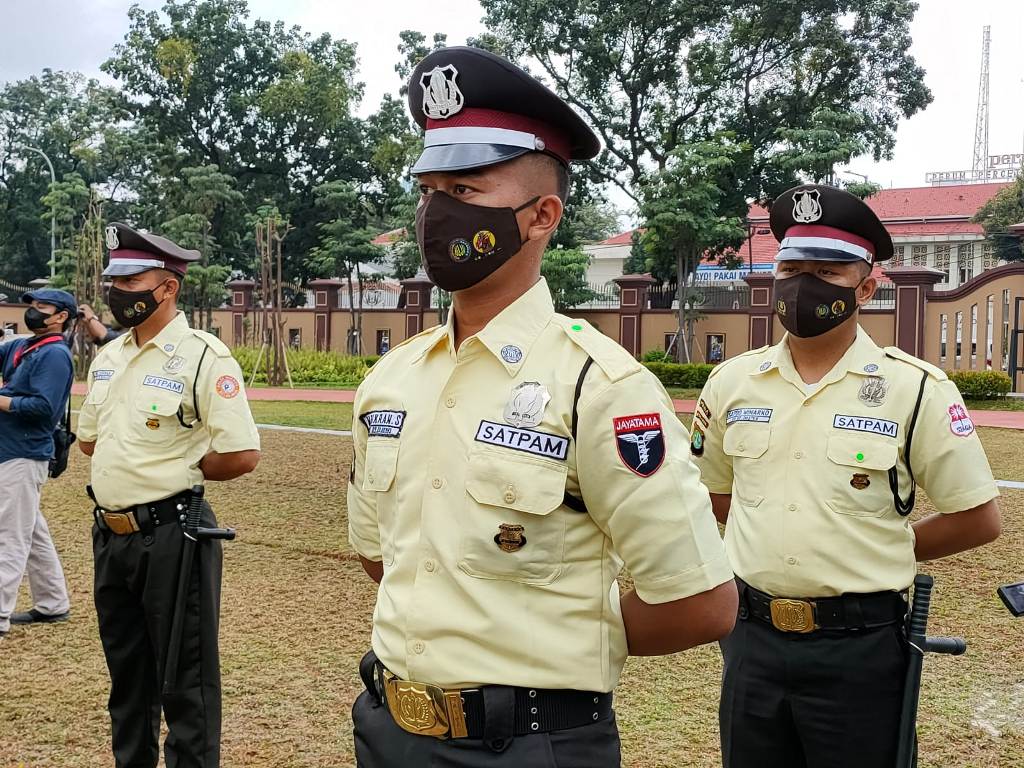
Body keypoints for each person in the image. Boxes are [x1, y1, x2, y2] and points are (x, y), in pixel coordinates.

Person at [347, 46, 738, 768]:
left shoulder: (602, 387)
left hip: (528, 744)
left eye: (464, 190)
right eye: (428, 189)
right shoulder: (391, 381)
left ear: (541, 216)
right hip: (387, 731)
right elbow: (385, 558)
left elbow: (700, 603)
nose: (436, 212)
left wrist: (561, 636)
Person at [691, 184, 1002, 768]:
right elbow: (717, 497)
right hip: (751, 640)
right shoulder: (731, 384)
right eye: (793, 267)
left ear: (867, 286)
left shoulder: (917, 389)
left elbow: (978, 518)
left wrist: (878, 544)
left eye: (828, 271)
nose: (803, 285)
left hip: (861, 649)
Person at [78, 223, 261, 768]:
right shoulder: (109, 357)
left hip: (174, 533)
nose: (119, 291)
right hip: (112, 536)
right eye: (115, 279)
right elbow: (89, 441)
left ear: (168, 288)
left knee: (186, 682)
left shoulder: (204, 356)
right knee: (127, 677)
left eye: (133, 279)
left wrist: (177, 465)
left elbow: (241, 453)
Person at [0, 289, 76, 639]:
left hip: (24, 451)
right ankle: (52, 602)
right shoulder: (20, 347)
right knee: (30, 528)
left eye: (42, 307)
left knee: (9, 536)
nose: (33, 311)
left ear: (60, 316)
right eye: (32, 305)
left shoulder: (55, 355)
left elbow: (45, 409)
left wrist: (3, 402)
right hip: (9, 449)